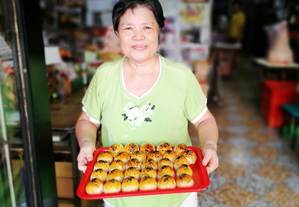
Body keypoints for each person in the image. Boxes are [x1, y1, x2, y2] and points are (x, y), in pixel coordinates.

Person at [75, 0, 219, 207]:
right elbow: (87, 121)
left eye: (147, 27)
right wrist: (87, 143)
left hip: (177, 194)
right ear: (116, 33)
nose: (138, 36)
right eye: (128, 28)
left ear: (160, 30)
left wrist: (210, 146)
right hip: (119, 195)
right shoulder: (104, 76)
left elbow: (205, 120)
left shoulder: (181, 76)